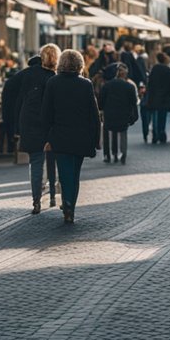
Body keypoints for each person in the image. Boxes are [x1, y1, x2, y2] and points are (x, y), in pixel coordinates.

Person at [41, 49, 100, 224]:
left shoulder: (53, 83)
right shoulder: (86, 84)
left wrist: (47, 136)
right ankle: (70, 206)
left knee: (65, 172)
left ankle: (67, 206)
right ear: (79, 65)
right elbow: (93, 114)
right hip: (81, 136)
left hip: (60, 135)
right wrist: (96, 139)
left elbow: (46, 113)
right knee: (75, 173)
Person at [12, 44, 60, 214]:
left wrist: (16, 125)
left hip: (30, 122)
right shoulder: (55, 77)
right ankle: (54, 195)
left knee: (36, 163)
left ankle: (36, 201)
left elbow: (17, 96)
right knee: (54, 161)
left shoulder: (28, 74)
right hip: (50, 125)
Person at [99, 63, 139, 164]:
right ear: (125, 74)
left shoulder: (107, 85)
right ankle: (123, 152)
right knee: (123, 133)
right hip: (123, 114)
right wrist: (134, 116)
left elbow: (101, 101)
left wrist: (101, 110)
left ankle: (108, 154)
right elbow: (133, 103)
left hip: (109, 113)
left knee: (108, 133)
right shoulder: (129, 87)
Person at [145, 51, 170, 144]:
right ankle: (161, 133)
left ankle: (155, 135)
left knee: (155, 116)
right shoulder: (168, 70)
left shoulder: (154, 69)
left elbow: (150, 84)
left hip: (154, 96)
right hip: (165, 97)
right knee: (162, 116)